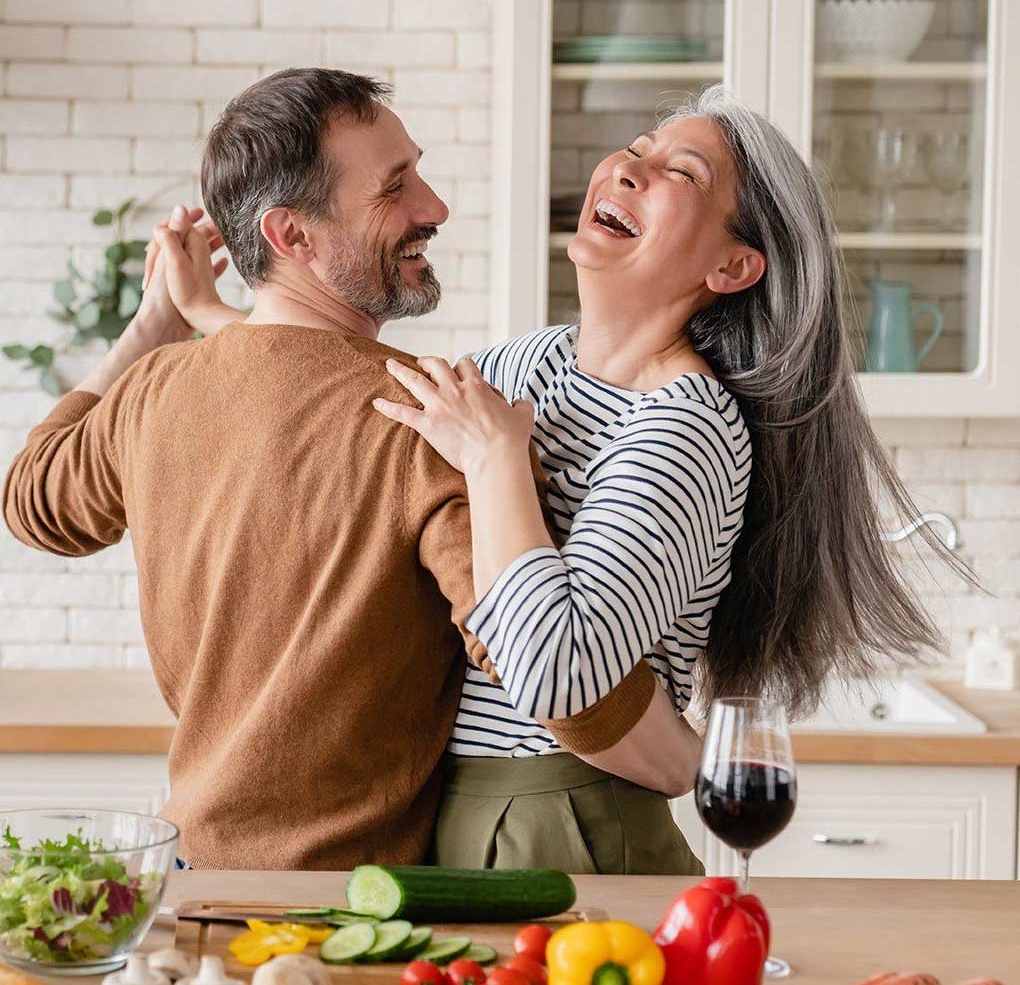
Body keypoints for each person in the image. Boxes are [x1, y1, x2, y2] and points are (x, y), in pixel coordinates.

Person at [159, 82, 956, 874]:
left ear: (732, 264)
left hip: (569, 819)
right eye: (638, 150)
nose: (629, 169)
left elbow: (557, 672)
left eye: (682, 174)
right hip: (453, 812)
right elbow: (364, 399)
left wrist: (499, 461)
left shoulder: (686, 427)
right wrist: (215, 316)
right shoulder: (527, 363)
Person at [2, 68, 687, 872]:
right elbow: (551, 673)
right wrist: (694, 762)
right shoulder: (425, 422)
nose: (434, 207)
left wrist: (153, 325)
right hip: (345, 910)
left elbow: (33, 500)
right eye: (395, 190)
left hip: (189, 879)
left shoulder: (154, 391)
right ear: (292, 237)